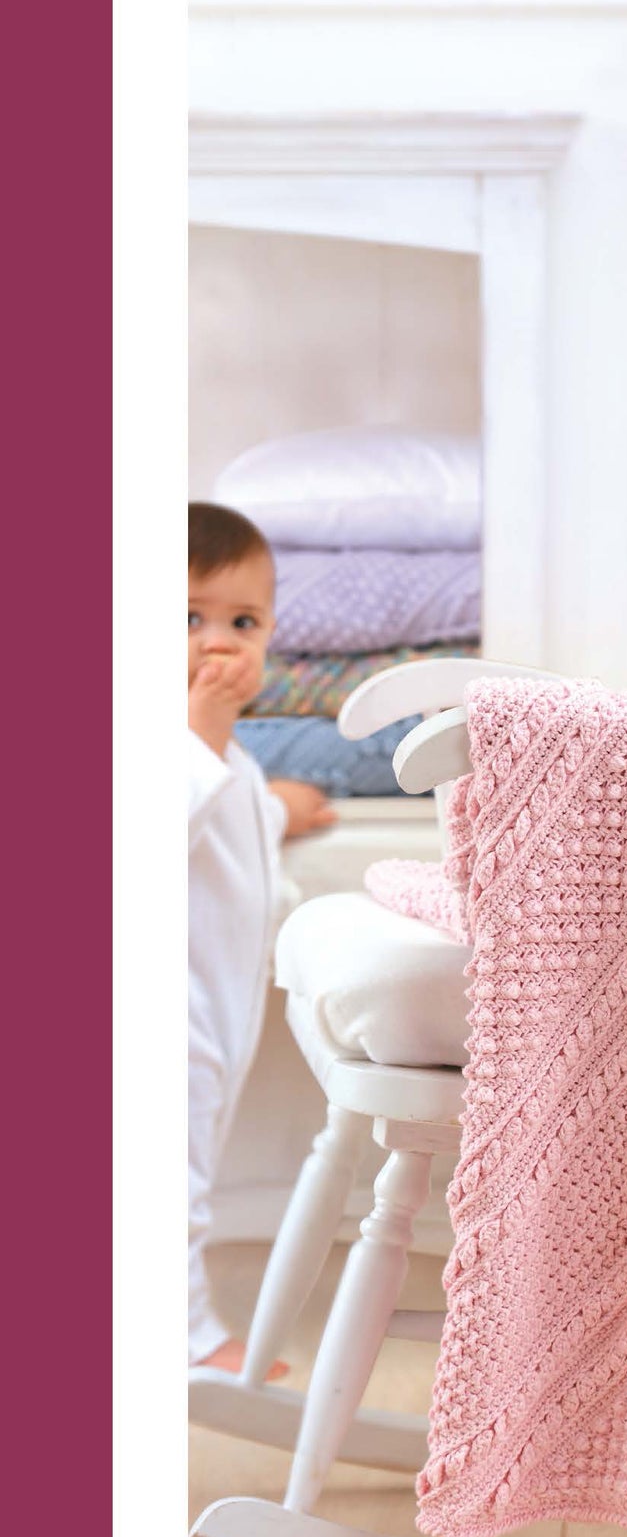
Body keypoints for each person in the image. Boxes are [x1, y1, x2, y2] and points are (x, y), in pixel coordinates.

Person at [188, 501, 335, 1370]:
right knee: (173, 1185)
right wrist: (204, 733)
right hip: (166, 1018)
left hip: (213, 1013)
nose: (218, 644)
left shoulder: (226, 761)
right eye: (187, 619)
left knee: (190, 1168)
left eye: (242, 621)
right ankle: (186, 1337)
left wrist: (278, 807)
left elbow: (225, 813)